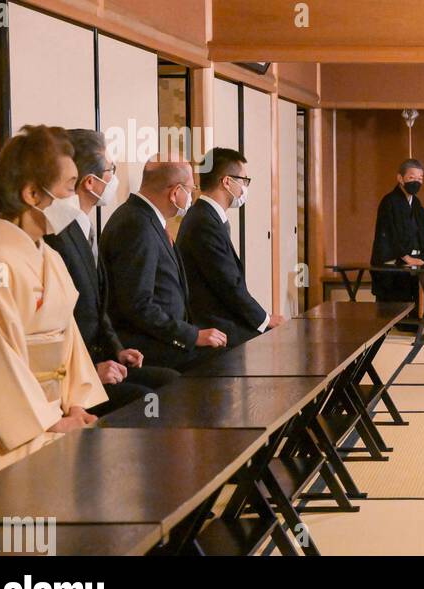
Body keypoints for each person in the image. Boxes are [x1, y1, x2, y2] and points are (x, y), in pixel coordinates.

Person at [0, 125, 106, 482]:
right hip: (8, 424)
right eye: (70, 186)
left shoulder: (49, 257)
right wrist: (51, 422)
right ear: (33, 194)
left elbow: (69, 343)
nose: (75, 195)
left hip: (54, 413)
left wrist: (75, 404)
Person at [42, 129, 179, 416]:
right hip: (76, 372)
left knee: (170, 381)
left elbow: (98, 306)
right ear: (89, 182)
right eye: (110, 170)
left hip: (102, 357)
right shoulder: (58, 235)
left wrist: (117, 349)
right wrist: (90, 371)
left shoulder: (84, 227)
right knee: (146, 400)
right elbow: (64, 321)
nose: (114, 178)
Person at [101, 161, 228, 370]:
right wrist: (191, 335)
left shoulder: (145, 218)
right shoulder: (136, 225)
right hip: (145, 345)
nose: (191, 196)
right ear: (176, 192)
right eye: (190, 189)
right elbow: (138, 304)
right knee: (220, 361)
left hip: (164, 335)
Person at [176, 148, 285, 346]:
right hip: (215, 324)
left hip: (223, 319)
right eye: (243, 181)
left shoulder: (207, 216)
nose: (245, 187)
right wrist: (265, 319)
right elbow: (228, 284)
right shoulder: (203, 222)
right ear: (227, 182)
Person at [370, 158, 424, 309]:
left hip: (415, 259)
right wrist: (406, 257)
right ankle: (414, 321)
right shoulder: (389, 202)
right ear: (400, 178)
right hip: (394, 261)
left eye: (420, 178)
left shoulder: (416, 203)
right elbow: (389, 233)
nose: (416, 182)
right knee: (411, 278)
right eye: (411, 177)